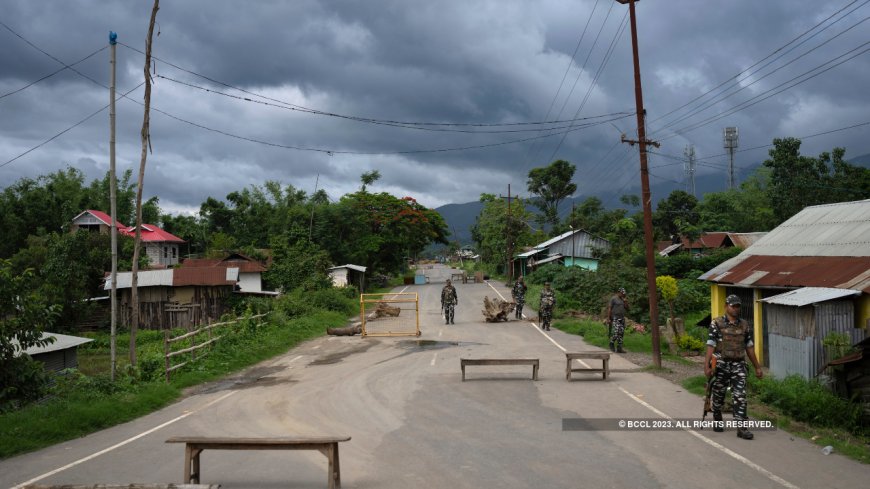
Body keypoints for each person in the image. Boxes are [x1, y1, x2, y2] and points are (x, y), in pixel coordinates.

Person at [705, 294, 764, 440]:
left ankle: (741, 428)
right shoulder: (716, 323)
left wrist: (757, 367)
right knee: (719, 394)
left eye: (738, 306)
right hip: (721, 364)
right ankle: (717, 417)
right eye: (733, 306)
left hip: (738, 364)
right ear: (726, 306)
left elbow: (749, 347)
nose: (736, 309)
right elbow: (711, 345)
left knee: (740, 396)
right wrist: (707, 366)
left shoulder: (744, 325)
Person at [605, 287, 629, 353]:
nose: (623, 295)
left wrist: (625, 302)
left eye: (624, 294)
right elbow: (610, 308)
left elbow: (627, 308)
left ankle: (619, 348)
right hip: (615, 318)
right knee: (616, 332)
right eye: (622, 293)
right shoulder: (613, 299)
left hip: (622, 318)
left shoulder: (623, 299)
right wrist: (608, 318)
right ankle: (611, 343)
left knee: (621, 333)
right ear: (618, 292)